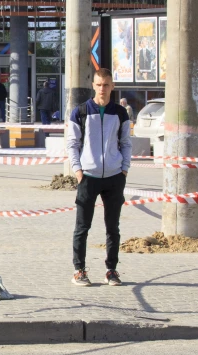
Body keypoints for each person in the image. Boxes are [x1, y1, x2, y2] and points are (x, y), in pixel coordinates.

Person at [67, 68, 132, 287]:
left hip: (114, 176)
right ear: (93, 86)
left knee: (113, 227)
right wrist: (77, 170)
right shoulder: (81, 111)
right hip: (88, 176)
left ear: (112, 86)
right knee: (82, 227)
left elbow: (126, 142)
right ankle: (79, 270)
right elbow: (72, 144)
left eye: (106, 85)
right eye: (98, 84)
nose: (102, 89)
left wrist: (124, 168)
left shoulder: (121, 113)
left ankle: (111, 270)